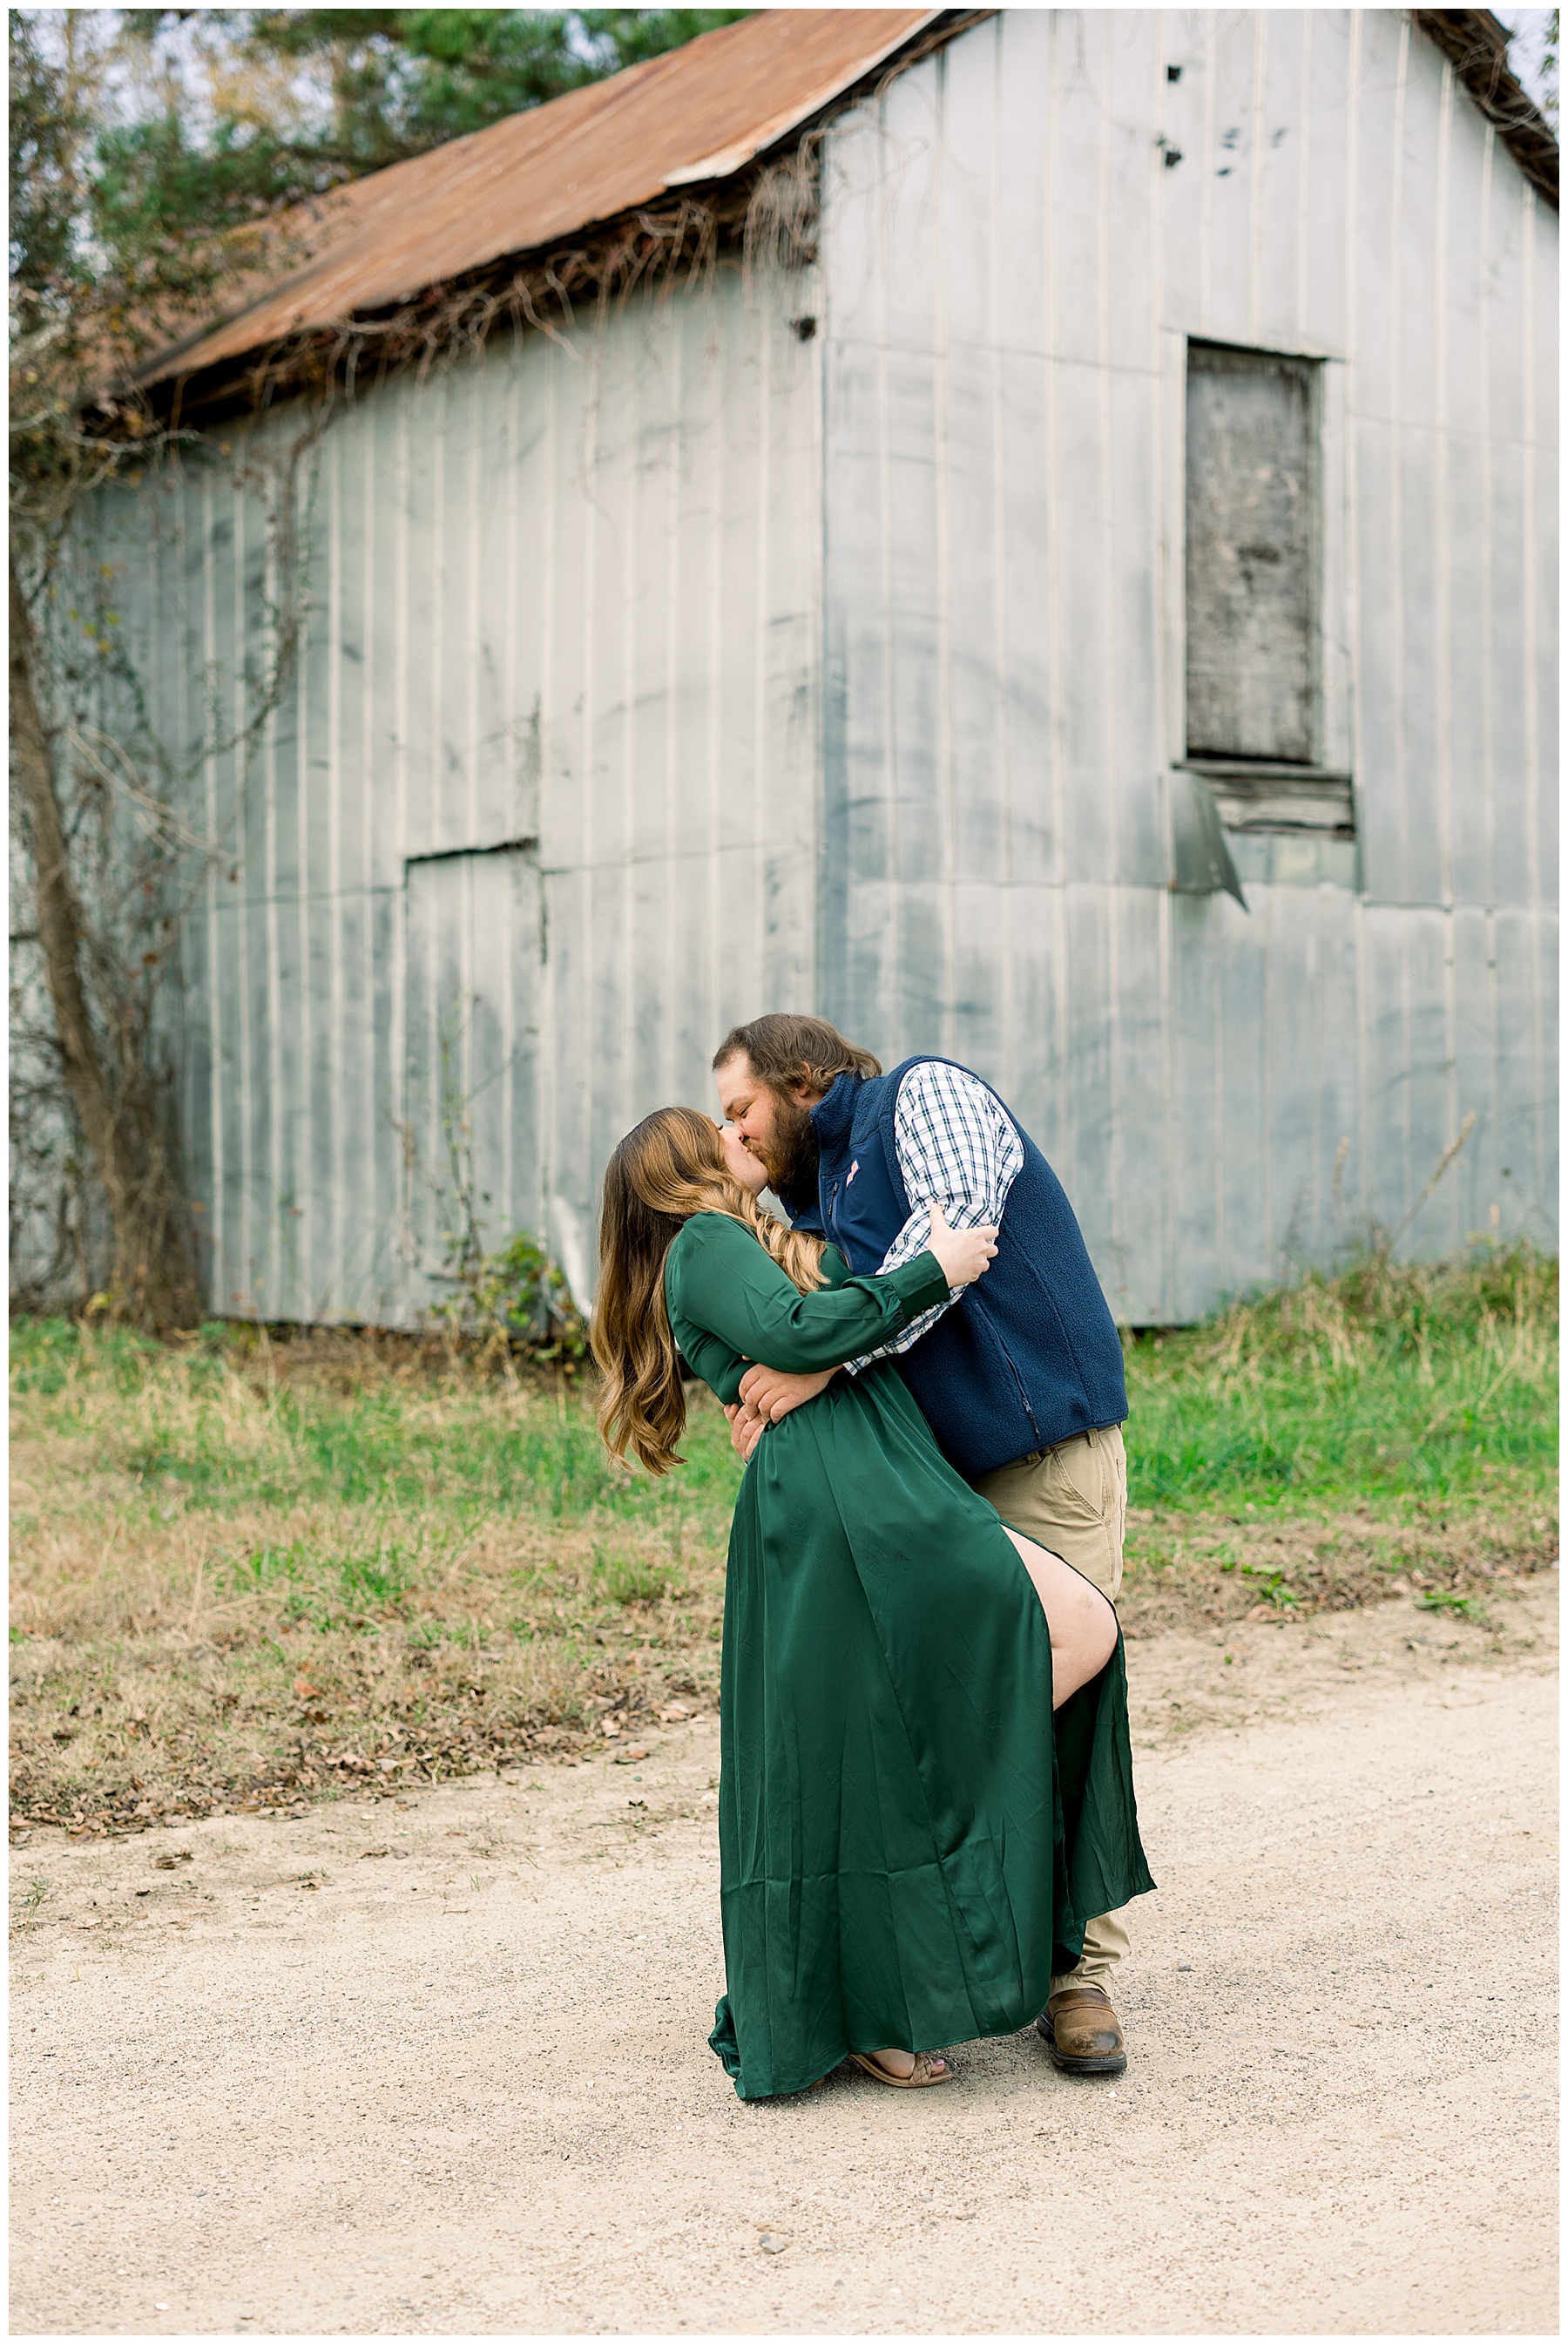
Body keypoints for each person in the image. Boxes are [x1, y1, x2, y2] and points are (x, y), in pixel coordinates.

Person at [591, 1103, 1153, 2102]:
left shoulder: (738, 1241)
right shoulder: (706, 1241)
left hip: (871, 1471)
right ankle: (886, 1986)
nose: (737, 1136)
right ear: (683, 1167)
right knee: (1074, 1628)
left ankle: (906, 1943)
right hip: (853, 1488)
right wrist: (933, 1266)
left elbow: (798, 1338)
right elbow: (797, 1331)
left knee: (1056, 1639)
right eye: (716, 1126)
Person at [713, 1013, 1139, 2079]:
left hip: (1041, 1452)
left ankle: (1076, 1974)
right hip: (934, 1483)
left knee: (1058, 1677)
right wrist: (771, 1384)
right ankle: (924, 1948)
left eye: (743, 1108)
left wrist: (823, 1363)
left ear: (804, 1080)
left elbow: (952, 1241)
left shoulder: (925, 1096)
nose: (738, 1131)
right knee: (932, 1699)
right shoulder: (814, 1202)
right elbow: (794, 1319)